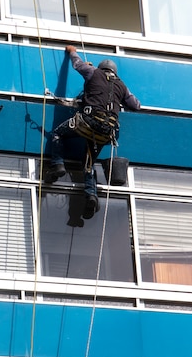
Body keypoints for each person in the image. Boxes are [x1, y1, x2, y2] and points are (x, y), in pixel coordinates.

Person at [44, 45, 141, 224]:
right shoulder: (121, 85)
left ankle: (58, 165)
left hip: (88, 122)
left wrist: (72, 51)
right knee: (88, 161)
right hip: (107, 132)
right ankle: (91, 195)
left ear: (102, 67)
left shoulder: (93, 72)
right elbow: (136, 105)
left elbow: (77, 64)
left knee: (58, 133)